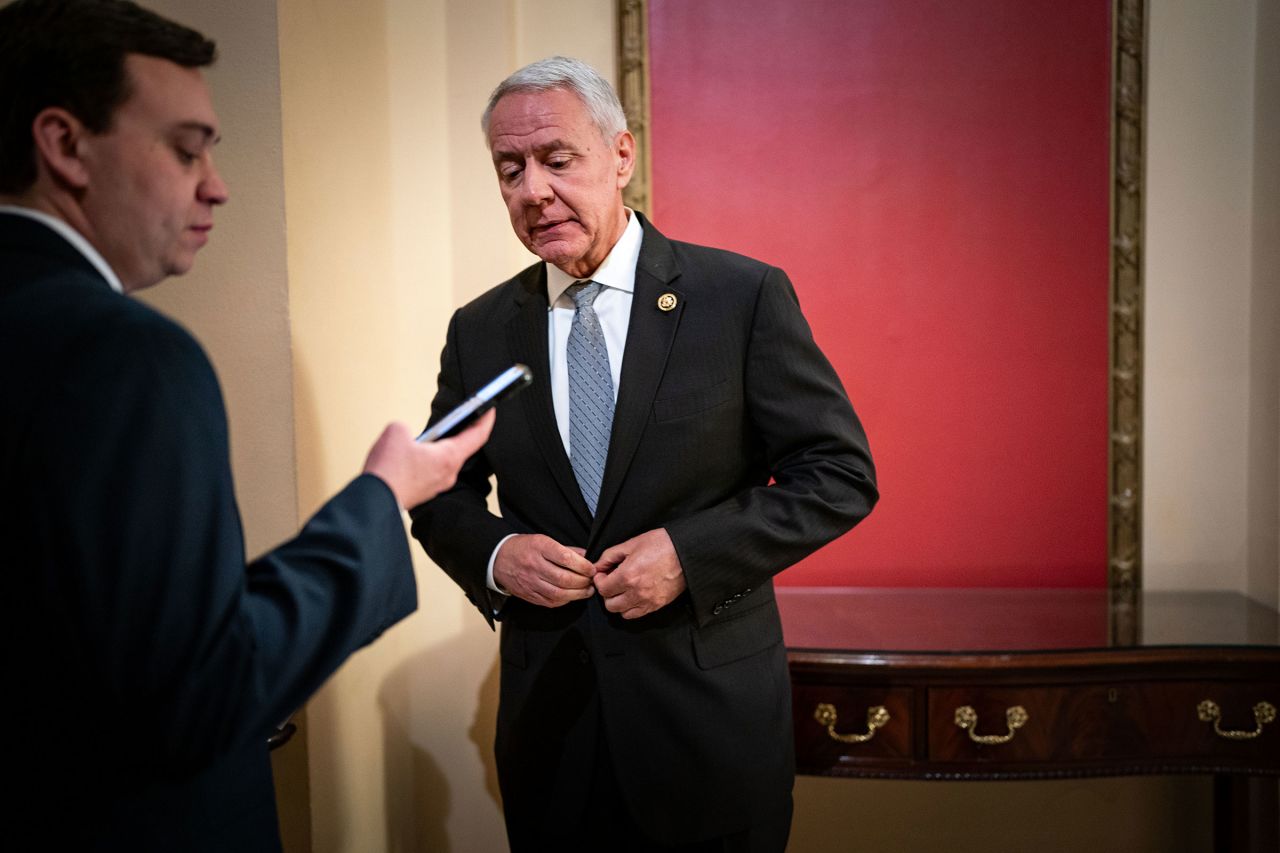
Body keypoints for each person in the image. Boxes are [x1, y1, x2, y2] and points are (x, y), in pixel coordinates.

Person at [0, 1, 493, 850]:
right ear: (64, 143)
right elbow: (193, 692)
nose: (217, 183)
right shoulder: (125, 355)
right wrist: (381, 498)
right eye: (187, 148)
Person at [410, 56, 877, 851]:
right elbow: (433, 490)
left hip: (709, 730)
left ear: (620, 156)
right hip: (552, 735)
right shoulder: (480, 329)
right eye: (510, 168)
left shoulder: (740, 298)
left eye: (558, 160)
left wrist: (690, 555)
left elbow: (837, 474)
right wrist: (498, 554)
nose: (532, 190)